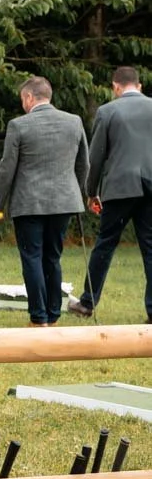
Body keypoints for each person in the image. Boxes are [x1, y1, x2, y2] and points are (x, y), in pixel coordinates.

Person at [0, 77, 89, 328]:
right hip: (64, 202)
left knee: (32, 257)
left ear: (30, 98)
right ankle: (53, 314)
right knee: (53, 257)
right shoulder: (74, 121)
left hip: (28, 202)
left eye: (23, 99)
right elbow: (84, 164)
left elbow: (7, 168)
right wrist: (81, 193)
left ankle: (38, 317)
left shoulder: (19, 125)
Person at [68, 66, 152, 322]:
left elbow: (96, 156)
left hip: (119, 186)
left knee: (105, 243)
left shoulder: (108, 111)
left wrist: (91, 191)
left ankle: (87, 303)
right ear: (139, 86)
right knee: (150, 247)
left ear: (116, 87)